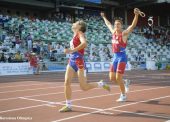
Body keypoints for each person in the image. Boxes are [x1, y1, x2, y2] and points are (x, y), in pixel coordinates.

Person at [59, 20, 110, 112]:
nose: (74, 23)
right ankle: (68, 105)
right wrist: (69, 50)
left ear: (80, 27)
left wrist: (71, 50)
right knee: (66, 82)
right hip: (71, 60)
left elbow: (84, 44)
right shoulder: (74, 35)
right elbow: (75, 48)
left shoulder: (80, 34)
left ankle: (101, 84)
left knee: (84, 87)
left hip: (79, 61)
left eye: (76, 22)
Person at [101, 8, 141, 102]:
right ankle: (125, 82)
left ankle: (123, 96)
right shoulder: (113, 32)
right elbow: (108, 24)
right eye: (115, 24)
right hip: (114, 57)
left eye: (118, 24)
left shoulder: (124, 34)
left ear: (121, 26)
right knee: (112, 78)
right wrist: (104, 17)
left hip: (122, 57)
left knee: (118, 77)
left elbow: (132, 25)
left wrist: (136, 15)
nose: (116, 25)